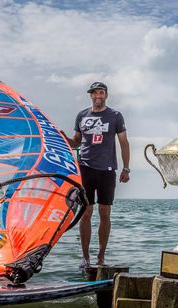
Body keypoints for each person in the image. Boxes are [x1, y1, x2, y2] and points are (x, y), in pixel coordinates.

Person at [63, 81, 130, 268]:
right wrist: (65, 139)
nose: (98, 95)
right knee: (85, 212)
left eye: (101, 92)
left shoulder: (115, 116)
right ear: (91, 96)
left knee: (104, 213)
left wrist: (126, 168)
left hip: (107, 169)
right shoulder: (82, 115)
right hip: (85, 168)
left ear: (106, 95)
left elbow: (124, 142)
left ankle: (101, 257)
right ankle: (85, 258)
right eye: (94, 93)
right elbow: (76, 142)